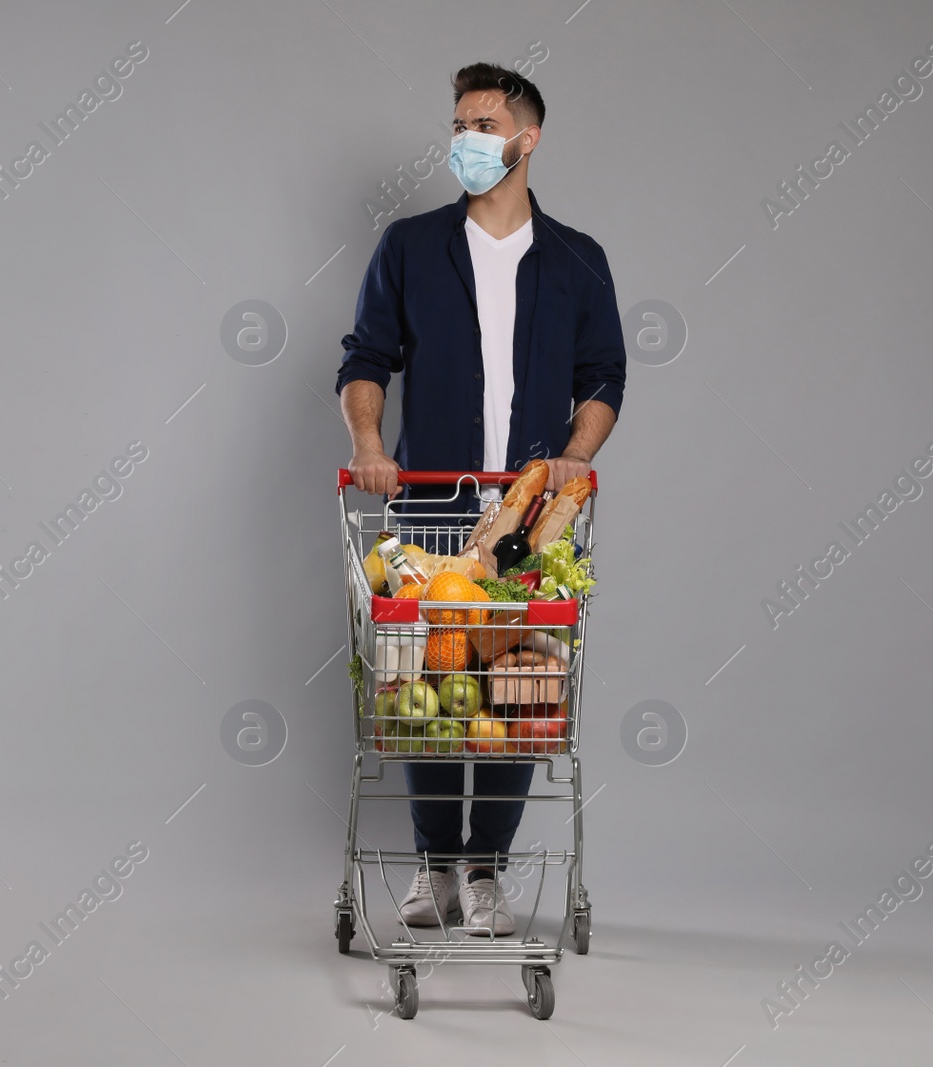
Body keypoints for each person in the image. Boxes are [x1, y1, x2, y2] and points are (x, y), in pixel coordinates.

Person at [335, 62, 626, 935]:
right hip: (428, 504)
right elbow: (364, 356)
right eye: (458, 123)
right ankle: (432, 867)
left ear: (525, 139)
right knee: (423, 680)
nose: (465, 139)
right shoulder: (410, 247)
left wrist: (575, 457)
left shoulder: (578, 260)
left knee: (518, 688)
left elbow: (604, 375)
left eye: (484, 124)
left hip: (527, 520)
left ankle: (487, 869)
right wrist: (371, 447)